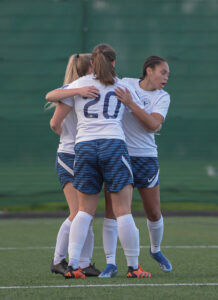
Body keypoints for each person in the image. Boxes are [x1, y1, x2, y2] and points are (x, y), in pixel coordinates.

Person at [48, 43, 152, 279]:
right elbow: (145, 120)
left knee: (84, 211)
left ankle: (73, 266)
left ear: (92, 63)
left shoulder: (80, 84)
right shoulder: (122, 86)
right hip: (113, 145)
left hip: (84, 146)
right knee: (123, 210)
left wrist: (76, 92)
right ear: (114, 62)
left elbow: (52, 97)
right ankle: (134, 268)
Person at [101, 56, 172, 277]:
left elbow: (153, 125)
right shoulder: (126, 84)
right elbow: (103, 78)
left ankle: (155, 249)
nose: (166, 78)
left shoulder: (163, 97)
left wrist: (131, 103)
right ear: (148, 70)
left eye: (168, 74)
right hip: (119, 154)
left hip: (146, 157)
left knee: (153, 212)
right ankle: (111, 263)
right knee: (113, 211)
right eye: (163, 72)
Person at [46, 53, 101, 277]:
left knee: (87, 214)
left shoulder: (92, 90)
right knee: (78, 212)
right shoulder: (73, 90)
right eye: (95, 65)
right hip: (70, 155)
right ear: (89, 68)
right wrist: (69, 139)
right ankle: (58, 260)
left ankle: (85, 263)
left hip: (85, 155)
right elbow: (54, 123)